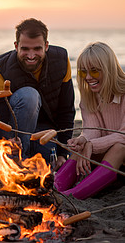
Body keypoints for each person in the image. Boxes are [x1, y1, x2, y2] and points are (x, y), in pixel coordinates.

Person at [0, 18, 75, 169]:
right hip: (14, 133)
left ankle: (31, 160)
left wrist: (62, 153)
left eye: (37, 49)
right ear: (16, 46)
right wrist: (8, 143)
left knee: (51, 159)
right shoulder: (0, 67)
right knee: (30, 96)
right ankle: (18, 162)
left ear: (46, 46)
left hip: (43, 131)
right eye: (25, 49)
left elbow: (66, 110)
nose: (31, 55)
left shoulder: (61, 60)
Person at [54, 42, 125, 199]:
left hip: (120, 153)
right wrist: (84, 139)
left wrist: (91, 144)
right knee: (80, 147)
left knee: (120, 147)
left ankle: (74, 195)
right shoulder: (90, 97)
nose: (87, 77)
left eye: (94, 71)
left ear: (108, 69)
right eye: (83, 72)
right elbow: (92, 129)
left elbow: (124, 135)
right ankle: (54, 188)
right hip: (110, 159)